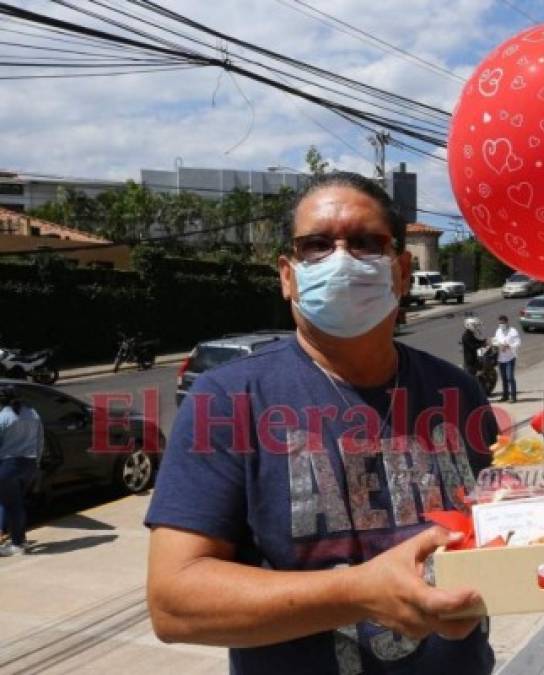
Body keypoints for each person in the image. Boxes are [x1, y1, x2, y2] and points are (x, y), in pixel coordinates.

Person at [145, 172, 498, 675]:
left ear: (401, 272)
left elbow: (498, 536)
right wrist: (358, 593)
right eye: (316, 245)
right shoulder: (226, 400)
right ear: (287, 275)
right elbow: (175, 602)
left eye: (364, 242)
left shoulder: (457, 392)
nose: (340, 258)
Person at [0, 385, 43, 557]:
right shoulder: (33, 414)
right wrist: (37, 463)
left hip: (8, 465)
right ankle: (20, 539)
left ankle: (17, 544)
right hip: (29, 465)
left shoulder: (3, 417)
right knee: (16, 503)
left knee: (13, 505)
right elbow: (40, 441)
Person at [493, 315, 521, 403]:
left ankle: (513, 396)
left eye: (503, 323)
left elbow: (518, 342)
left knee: (510, 377)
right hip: (501, 359)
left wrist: (509, 346)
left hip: (510, 357)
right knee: (504, 378)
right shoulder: (498, 331)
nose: (501, 324)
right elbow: (495, 341)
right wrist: (498, 345)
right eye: (500, 323)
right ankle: (505, 396)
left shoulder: (513, 331)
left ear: (507, 322)